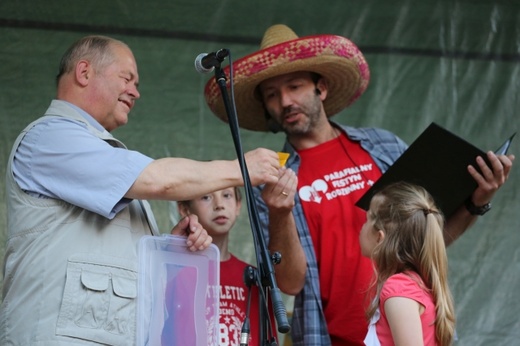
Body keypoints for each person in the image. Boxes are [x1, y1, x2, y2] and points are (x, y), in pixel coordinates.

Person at [202, 24, 515, 345]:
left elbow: (426, 239)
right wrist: (280, 212)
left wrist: (476, 202)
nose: (285, 101)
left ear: (320, 87)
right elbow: (290, 283)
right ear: (266, 107)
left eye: (294, 86)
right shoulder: (268, 180)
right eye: (272, 94)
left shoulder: (382, 147)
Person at [0, 35, 284, 345]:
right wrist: (238, 169)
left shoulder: (99, 152)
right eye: (127, 78)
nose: (136, 92)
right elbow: (159, 180)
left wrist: (172, 248)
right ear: (84, 73)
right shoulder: (50, 137)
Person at [177, 176, 297, 346]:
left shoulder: (255, 277)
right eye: (206, 197)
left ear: (239, 205)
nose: (219, 205)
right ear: (184, 209)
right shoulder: (176, 271)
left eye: (227, 195)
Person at [360, 182, 456, 346]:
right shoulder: (413, 283)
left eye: (367, 219)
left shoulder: (398, 289)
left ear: (380, 238)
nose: (362, 226)